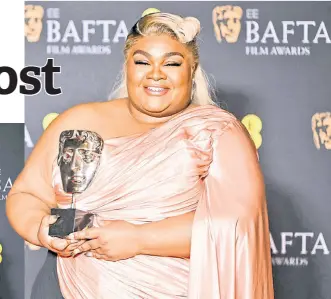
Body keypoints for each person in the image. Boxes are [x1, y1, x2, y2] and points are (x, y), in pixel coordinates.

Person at [6, 9, 274, 299]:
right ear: (127, 67)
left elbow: (234, 227)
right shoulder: (78, 120)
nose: (155, 73)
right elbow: (27, 195)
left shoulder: (215, 131)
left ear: (192, 71)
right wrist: (39, 228)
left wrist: (137, 238)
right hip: (63, 285)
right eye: (143, 61)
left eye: (171, 63)